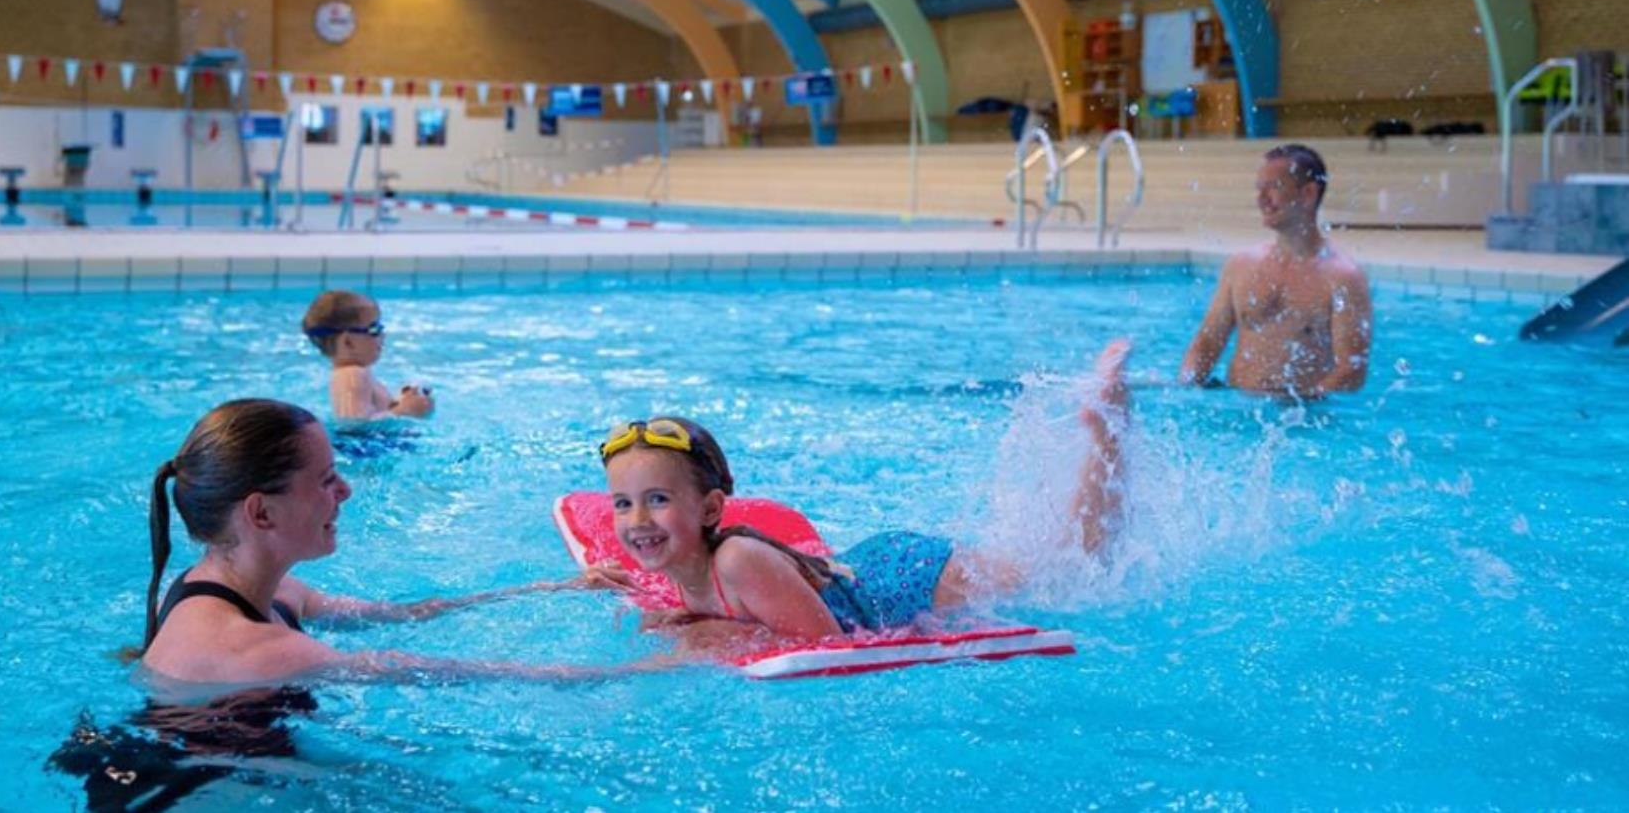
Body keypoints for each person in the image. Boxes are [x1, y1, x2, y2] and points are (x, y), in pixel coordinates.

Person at [596, 341, 1130, 650]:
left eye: (657, 500)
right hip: (858, 569)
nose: (638, 519)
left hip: (907, 582)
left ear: (711, 508)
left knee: (1072, 569)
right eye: (624, 503)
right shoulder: (680, 564)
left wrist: (711, 633)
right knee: (1064, 566)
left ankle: (1109, 429)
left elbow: (827, 643)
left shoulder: (736, 560)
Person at [138, 398, 633, 685]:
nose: (345, 491)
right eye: (326, 480)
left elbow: (405, 614)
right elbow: (447, 673)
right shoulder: (255, 651)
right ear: (261, 512)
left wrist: (552, 588)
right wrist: (651, 668)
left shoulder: (259, 589)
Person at [1179, 144, 1373, 397]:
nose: (1261, 199)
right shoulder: (1241, 266)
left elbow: (1351, 371)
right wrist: (1186, 390)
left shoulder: (1342, 278)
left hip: (1304, 414)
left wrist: (1298, 405)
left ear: (1308, 193)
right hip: (1236, 407)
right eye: (1259, 188)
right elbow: (1207, 342)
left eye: (1273, 187)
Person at [302, 291, 433, 421]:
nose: (383, 335)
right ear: (348, 342)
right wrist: (404, 411)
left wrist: (404, 401)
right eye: (374, 329)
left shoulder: (355, 373)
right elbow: (354, 424)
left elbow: (373, 415)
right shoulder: (352, 374)